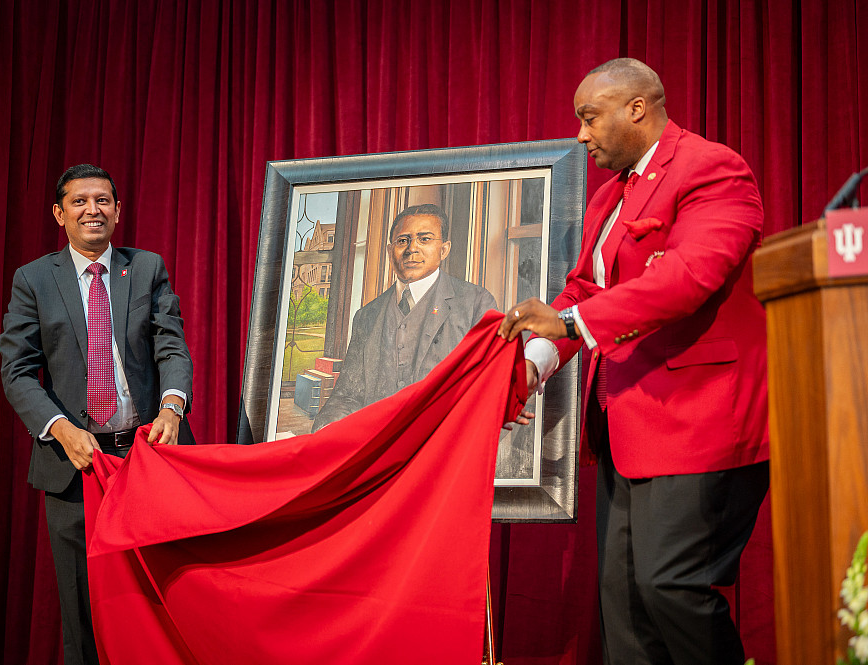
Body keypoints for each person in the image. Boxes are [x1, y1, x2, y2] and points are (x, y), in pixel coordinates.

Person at [499, 59, 769, 664]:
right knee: (623, 604)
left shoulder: (711, 168)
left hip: (698, 423)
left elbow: (688, 277)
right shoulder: (607, 198)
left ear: (637, 109)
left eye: (589, 118)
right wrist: (530, 367)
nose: (580, 135)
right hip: (627, 426)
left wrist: (568, 322)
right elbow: (580, 293)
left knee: (670, 587)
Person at [0, 164, 194, 665]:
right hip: (74, 467)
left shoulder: (146, 268)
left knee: (162, 597)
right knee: (84, 608)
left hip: (148, 459)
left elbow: (171, 347)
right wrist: (61, 430)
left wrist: (172, 406)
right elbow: (17, 371)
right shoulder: (35, 280)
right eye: (80, 201)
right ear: (59, 213)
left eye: (103, 200)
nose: (93, 210)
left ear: (118, 210)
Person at [312, 203, 497, 431]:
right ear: (391, 251)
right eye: (403, 240)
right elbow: (347, 396)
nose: (412, 249)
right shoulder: (367, 316)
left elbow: (489, 393)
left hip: (443, 448)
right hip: (378, 449)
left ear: (444, 249)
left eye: (425, 239)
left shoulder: (475, 303)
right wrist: (327, 432)